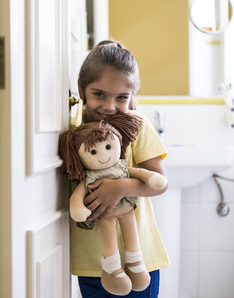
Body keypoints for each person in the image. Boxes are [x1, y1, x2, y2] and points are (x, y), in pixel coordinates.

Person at [70, 39, 169, 297]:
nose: (110, 106)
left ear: (132, 95)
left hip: (137, 261)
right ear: (82, 89)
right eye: (99, 94)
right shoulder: (72, 126)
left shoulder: (137, 124)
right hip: (93, 262)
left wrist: (119, 187)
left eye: (122, 97)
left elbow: (160, 181)